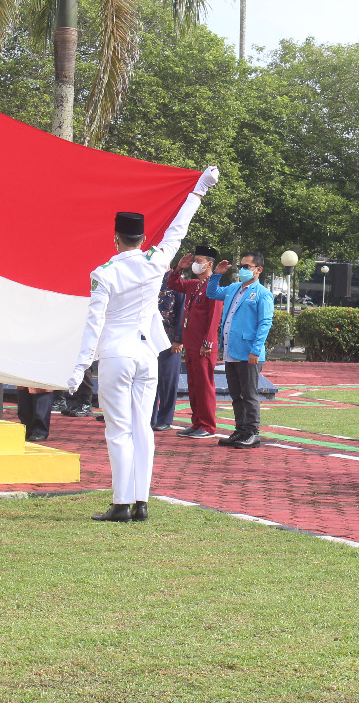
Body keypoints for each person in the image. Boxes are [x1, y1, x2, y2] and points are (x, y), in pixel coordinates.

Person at [68, 166, 218, 523]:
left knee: (118, 430)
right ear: (141, 238)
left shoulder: (103, 273)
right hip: (147, 353)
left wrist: (79, 367)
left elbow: (94, 323)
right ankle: (142, 501)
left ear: (116, 239)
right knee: (143, 428)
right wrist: (199, 189)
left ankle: (122, 503)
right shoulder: (156, 261)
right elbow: (178, 227)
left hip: (117, 353)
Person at [205, 253, 275, 449]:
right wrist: (216, 275)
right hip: (231, 350)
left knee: (249, 393)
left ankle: (252, 431)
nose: (243, 269)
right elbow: (212, 293)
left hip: (249, 352)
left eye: (247, 266)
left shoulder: (262, 294)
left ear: (258, 269)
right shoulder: (233, 289)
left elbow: (264, 323)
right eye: (241, 266)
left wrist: (256, 350)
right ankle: (241, 429)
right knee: (236, 394)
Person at [167, 245, 224, 438]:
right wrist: (179, 268)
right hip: (191, 344)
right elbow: (173, 284)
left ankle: (207, 425)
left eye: (199, 261)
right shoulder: (193, 284)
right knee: (193, 385)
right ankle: (197, 422)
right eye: (195, 261)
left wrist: (208, 342)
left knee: (204, 385)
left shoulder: (213, 287)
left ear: (210, 264)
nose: (196, 264)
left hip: (203, 346)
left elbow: (214, 318)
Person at [149, 269, 187, 431]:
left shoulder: (175, 281)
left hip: (169, 339)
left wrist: (179, 339)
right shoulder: (147, 277)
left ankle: (165, 418)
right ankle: (149, 417)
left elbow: (182, 311)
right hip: (148, 339)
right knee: (148, 380)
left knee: (167, 380)